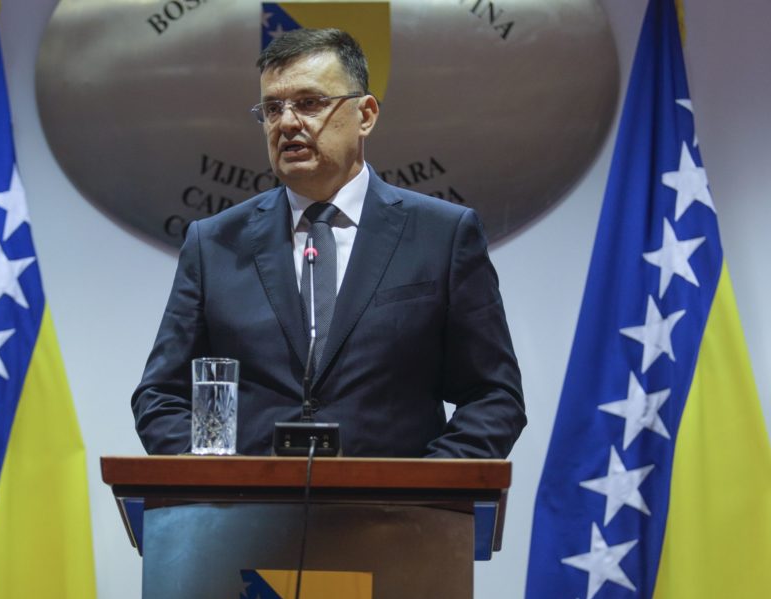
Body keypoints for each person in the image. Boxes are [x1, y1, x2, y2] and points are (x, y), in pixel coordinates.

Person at [132, 28, 525, 458]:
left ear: (366, 115)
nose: (286, 123)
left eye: (309, 103)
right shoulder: (214, 244)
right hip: (249, 500)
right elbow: (160, 396)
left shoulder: (442, 236)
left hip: (396, 500)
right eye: (272, 108)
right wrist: (220, 482)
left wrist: (426, 486)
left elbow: (493, 396)